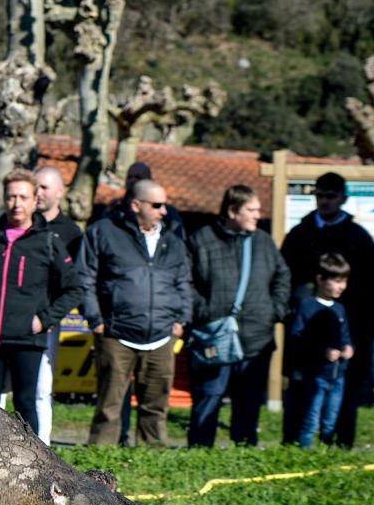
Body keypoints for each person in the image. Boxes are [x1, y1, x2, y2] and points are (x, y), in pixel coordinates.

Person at [0, 169, 81, 428]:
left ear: (34, 201)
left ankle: (33, 454)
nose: (16, 203)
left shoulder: (48, 242)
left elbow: (74, 289)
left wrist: (45, 319)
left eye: (23, 197)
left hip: (27, 338)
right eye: (11, 197)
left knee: (25, 404)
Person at [78, 179, 191, 447]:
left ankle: (152, 457)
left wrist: (181, 319)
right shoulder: (103, 232)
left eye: (165, 205)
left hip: (161, 336)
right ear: (136, 205)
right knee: (109, 405)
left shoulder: (172, 240)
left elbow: (184, 282)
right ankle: (100, 457)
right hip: (115, 333)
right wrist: (95, 319)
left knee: (156, 405)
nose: (164, 211)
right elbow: (84, 278)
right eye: (157, 205)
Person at [278, 172, 374, 448]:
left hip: (346, 326)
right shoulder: (300, 234)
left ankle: (340, 441)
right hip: (306, 327)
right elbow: (284, 275)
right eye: (320, 195)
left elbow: (373, 283)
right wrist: (292, 309)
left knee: (344, 387)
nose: (325, 201)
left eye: (331, 196)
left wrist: (360, 322)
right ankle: (294, 441)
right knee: (300, 386)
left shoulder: (357, 237)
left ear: (343, 198)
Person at [185, 185, 291, 448]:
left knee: (248, 402)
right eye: (251, 210)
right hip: (214, 336)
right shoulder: (201, 240)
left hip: (256, 337)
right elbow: (186, 283)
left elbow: (282, 277)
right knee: (208, 397)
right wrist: (205, 312)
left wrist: (273, 311)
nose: (257, 215)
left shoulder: (263, 241)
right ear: (232, 211)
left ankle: (244, 452)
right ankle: (199, 452)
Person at [29, 165, 83, 442]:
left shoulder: (72, 233)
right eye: (34, 186)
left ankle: (43, 445)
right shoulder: (22, 223)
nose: (38, 193)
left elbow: (74, 283)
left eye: (44, 187)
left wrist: (51, 316)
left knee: (41, 387)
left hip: (47, 320)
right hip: (16, 315)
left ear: (60, 192)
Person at [287, 254, 354, 450]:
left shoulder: (340, 309)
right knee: (311, 418)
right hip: (316, 375)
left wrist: (348, 348)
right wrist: (322, 351)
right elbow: (298, 337)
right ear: (320, 279)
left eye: (344, 281)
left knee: (331, 419)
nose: (342, 286)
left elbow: (345, 335)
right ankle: (304, 453)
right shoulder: (307, 306)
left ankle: (325, 452)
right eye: (337, 281)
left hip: (338, 375)